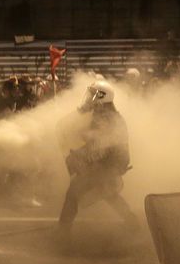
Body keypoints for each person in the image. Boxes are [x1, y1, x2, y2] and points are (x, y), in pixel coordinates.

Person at [58, 80, 137, 231]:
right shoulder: (104, 114)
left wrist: (79, 156)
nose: (89, 98)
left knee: (74, 192)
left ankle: (63, 232)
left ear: (102, 97)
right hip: (109, 162)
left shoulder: (107, 119)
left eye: (93, 95)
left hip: (110, 164)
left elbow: (100, 148)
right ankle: (132, 224)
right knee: (107, 192)